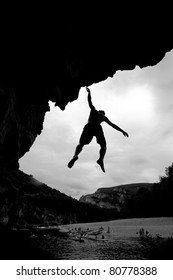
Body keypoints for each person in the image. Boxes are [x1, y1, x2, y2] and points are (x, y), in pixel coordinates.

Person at [68, 87, 128, 172]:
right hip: (97, 127)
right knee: (103, 146)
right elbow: (113, 125)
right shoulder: (103, 117)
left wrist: (89, 93)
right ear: (102, 113)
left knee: (81, 143)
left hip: (89, 126)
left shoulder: (94, 111)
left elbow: (90, 102)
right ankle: (101, 159)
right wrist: (122, 131)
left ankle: (75, 156)